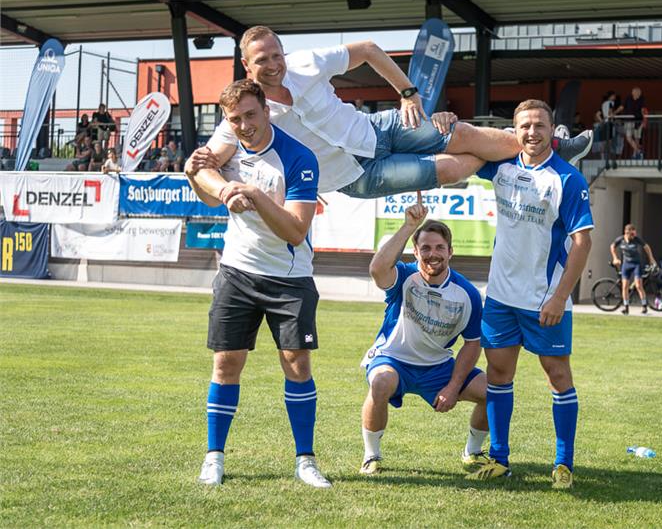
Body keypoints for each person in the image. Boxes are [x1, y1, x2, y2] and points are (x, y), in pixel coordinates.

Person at [185, 26, 593, 200]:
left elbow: (367, 50)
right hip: (354, 177)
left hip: (375, 129)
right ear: (246, 65)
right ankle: (515, 162)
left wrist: (408, 93)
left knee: (465, 133)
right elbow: (211, 162)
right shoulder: (245, 113)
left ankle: (556, 148)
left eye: (276, 55)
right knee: (454, 167)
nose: (273, 65)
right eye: (262, 60)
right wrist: (202, 173)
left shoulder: (307, 62)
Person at [186, 78, 331, 489]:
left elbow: (296, 230)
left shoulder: (299, 156)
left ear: (267, 111)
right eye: (235, 119)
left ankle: (305, 459)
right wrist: (220, 186)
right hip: (236, 272)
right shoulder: (228, 147)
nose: (245, 125)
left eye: (251, 115)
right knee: (225, 363)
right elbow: (200, 178)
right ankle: (214, 457)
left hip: (289, 278)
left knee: (297, 365)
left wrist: (251, 193)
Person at [441, 100, 593, 488]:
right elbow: (468, 146)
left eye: (539, 125)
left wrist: (560, 297)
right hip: (501, 299)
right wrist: (449, 120)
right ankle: (500, 458)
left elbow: (582, 243)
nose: (531, 132)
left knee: (558, 376)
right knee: (498, 375)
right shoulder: (501, 168)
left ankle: (563, 464)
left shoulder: (568, 179)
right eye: (524, 125)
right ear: (514, 131)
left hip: (545, 300)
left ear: (552, 130)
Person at [360, 202, 488, 475]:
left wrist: (453, 386)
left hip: (437, 367)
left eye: (440, 247)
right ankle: (371, 456)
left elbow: (472, 343)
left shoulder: (467, 294)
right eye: (426, 248)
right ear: (415, 251)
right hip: (393, 360)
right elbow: (377, 269)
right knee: (381, 383)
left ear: (451, 252)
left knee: (494, 391)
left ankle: (473, 452)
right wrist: (409, 226)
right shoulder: (405, 276)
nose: (433, 254)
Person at [610, 224, 657, 315]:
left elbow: (646, 247)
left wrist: (651, 259)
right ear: (626, 233)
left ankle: (644, 307)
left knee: (639, 285)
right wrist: (615, 258)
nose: (633, 236)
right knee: (624, 286)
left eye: (634, 234)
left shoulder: (636, 239)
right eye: (631, 234)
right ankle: (626, 307)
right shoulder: (621, 239)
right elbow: (612, 246)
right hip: (626, 265)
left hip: (636, 264)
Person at [615, 87, 645, 159]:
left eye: (639, 93)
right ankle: (638, 151)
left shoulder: (641, 99)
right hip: (629, 121)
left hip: (638, 121)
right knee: (628, 137)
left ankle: (635, 155)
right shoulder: (628, 98)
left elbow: (643, 110)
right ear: (633, 93)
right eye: (636, 92)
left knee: (637, 138)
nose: (638, 94)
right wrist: (614, 113)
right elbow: (622, 107)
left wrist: (644, 120)